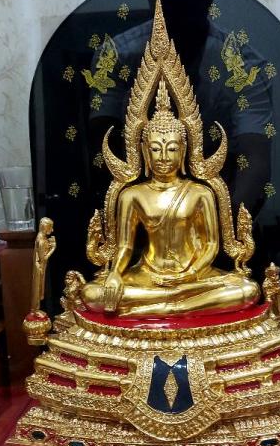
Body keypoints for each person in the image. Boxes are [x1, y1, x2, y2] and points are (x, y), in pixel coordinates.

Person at [81, 80, 260, 317]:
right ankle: (176, 303)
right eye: (156, 149)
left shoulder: (200, 193)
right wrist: (115, 274)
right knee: (92, 294)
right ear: (145, 152)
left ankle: (169, 306)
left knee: (247, 290)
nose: (164, 157)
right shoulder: (132, 195)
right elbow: (125, 246)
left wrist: (189, 275)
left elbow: (211, 246)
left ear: (184, 151)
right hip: (148, 275)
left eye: (172, 149)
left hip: (195, 277)